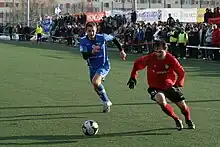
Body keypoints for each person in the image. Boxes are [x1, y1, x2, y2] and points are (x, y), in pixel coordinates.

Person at [127, 39, 195, 130]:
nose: (157, 54)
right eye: (155, 51)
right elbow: (137, 64)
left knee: (183, 106)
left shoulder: (171, 59)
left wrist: (177, 84)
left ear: (166, 50)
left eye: (160, 52)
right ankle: (176, 119)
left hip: (169, 85)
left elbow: (181, 72)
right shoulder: (150, 58)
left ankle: (188, 119)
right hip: (154, 86)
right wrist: (133, 76)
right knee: (161, 100)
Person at [80, 22, 126, 113]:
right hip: (92, 67)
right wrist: (92, 52)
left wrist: (121, 51)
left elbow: (114, 39)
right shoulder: (83, 41)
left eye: (93, 31)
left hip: (103, 65)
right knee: (95, 86)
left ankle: (106, 101)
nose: (91, 33)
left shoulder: (102, 37)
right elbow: (84, 56)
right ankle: (106, 101)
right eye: (89, 31)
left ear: (96, 30)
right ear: (86, 31)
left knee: (95, 82)